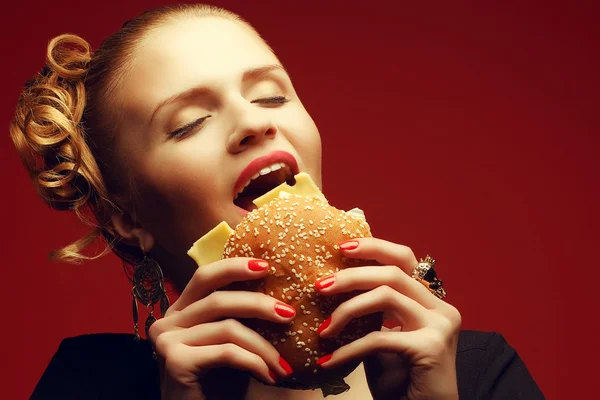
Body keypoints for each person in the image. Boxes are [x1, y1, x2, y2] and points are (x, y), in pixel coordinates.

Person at [11, 4, 545, 399]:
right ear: (125, 217)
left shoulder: (475, 374)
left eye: (271, 94)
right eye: (190, 122)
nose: (253, 121)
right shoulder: (87, 382)